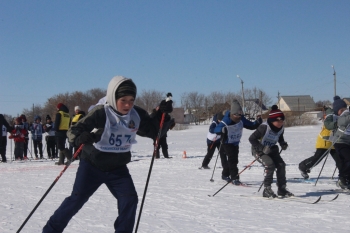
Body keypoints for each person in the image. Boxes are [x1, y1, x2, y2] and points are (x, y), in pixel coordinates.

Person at [42, 75, 174, 233]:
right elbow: (73, 131)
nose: (128, 104)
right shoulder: (101, 112)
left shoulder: (135, 114)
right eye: (123, 100)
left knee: (129, 199)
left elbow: (154, 132)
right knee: (76, 200)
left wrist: (162, 115)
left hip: (118, 168)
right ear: (113, 97)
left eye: (131, 100)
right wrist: (80, 138)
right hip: (92, 165)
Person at [214, 99, 262, 185]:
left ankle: (225, 175)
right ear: (232, 113)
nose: (238, 116)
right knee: (232, 160)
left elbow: (250, 126)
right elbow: (216, 129)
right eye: (236, 115)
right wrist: (222, 129)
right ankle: (235, 178)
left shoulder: (241, 119)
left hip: (235, 142)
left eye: (240, 114)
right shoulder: (227, 120)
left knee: (233, 160)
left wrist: (257, 122)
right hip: (226, 142)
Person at [249, 105, 292, 198]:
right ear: (272, 120)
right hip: (258, 150)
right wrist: (261, 148)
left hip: (272, 149)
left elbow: (280, 136)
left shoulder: (281, 128)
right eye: (278, 121)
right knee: (270, 165)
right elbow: (252, 139)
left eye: (282, 120)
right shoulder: (264, 127)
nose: (281, 123)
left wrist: (282, 143)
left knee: (281, 165)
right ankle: (267, 189)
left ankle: (282, 188)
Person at [299, 106, 343, 179]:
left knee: (340, 161)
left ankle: (343, 178)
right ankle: (302, 166)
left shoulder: (341, 116)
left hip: (334, 142)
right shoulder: (330, 116)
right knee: (316, 159)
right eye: (341, 109)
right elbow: (330, 125)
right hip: (324, 141)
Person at [324, 96, 350, 189]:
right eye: (340, 110)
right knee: (348, 159)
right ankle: (343, 179)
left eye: (344, 109)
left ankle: (345, 180)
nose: (343, 111)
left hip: (347, 142)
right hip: (340, 141)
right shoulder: (340, 117)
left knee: (344, 162)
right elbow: (342, 121)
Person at [150, 93, 175, 159]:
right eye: (157, 107)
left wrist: (171, 123)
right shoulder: (154, 114)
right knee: (156, 145)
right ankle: (157, 157)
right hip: (156, 132)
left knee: (164, 145)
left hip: (163, 132)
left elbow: (168, 121)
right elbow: (151, 119)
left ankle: (166, 156)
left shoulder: (165, 114)